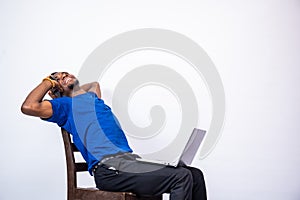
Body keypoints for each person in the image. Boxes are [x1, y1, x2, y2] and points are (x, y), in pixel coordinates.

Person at [21, 72, 207, 200]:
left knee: (194, 175)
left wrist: (70, 84)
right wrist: (49, 82)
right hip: (110, 170)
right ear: (55, 92)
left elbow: (95, 84)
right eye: (60, 78)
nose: (66, 76)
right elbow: (28, 107)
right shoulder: (64, 106)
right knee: (181, 177)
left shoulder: (92, 99)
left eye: (67, 73)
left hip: (130, 163)